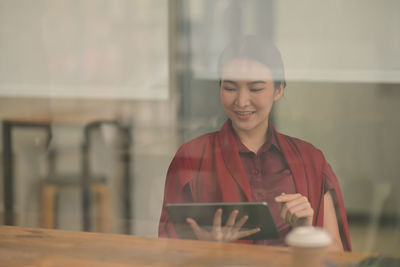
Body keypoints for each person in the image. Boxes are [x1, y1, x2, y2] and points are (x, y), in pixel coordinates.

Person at [158, 36, 351, 251]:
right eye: (230, 88)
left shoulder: (311, 159)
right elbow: (169, 250)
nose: (241, 102)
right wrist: (208, 249)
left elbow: (337, 256)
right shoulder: (192, 156)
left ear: (278, 90)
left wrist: (305, 232)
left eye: (256, 89)